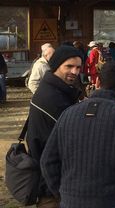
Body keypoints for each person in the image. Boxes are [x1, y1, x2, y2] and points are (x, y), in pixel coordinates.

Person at [40, 61, 115, 208]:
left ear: (97, 81)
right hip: (113, 200)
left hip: (71, 200)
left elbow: (47, 161)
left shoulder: (67, 114)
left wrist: (62, 191)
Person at [27, 45, 83, 207]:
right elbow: (75, 138)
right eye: (69, 66)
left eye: (78, 67)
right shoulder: (53, 98)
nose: (74, 72)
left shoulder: (57, 90)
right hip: (52, 185)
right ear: (56, 65)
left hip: (55, 179)